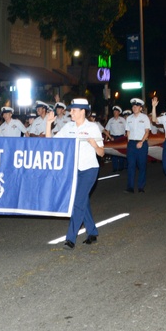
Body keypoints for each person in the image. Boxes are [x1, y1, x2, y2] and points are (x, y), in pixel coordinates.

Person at [45, 98, 104, 248]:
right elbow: (50, 142)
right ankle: (92, 231)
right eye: (70, 110)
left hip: (89, 169)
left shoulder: (93, 127)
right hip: (74, 170)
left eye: (74, 110)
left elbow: (102, 153)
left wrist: (95, 145)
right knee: (81, 201)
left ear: (83, 111)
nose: (70, 112)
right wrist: (48, 123)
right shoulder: (68, 127)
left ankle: (70, 239)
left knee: (77, 202)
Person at [124, 98, 151, 193]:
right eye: (133, 106)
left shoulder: (145, 118)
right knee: (131, 165)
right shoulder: (129, 118)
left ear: (140, 108)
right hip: (131, 144)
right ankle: (130, 187)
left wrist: (141, 141)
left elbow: (147, 132)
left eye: (136, 106)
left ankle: (141, 187)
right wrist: (129, 142)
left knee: (142, 165)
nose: (134, 107)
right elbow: (128, 131)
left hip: (142, 143)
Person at [105, 105, 127, 171]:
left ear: (119, 112)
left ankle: (121, 167)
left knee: (121, 152)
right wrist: (107, 138)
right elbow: (107, 130)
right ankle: (115, 167)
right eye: (114, 111)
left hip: (121, 137)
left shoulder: (122, 120)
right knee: (113, 152)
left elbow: (127, 129)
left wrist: (126, 136)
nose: (115, 112)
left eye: (116, 111)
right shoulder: (110, 120)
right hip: (113, 137)